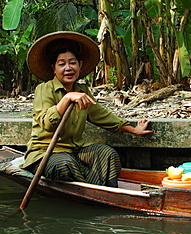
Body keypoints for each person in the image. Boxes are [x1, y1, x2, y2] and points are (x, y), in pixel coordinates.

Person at [20, 31, 153, 187]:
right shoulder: (44, 89)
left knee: (107, 154)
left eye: (72, 62)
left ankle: (108, 193)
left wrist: (133, 130)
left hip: (75, 150)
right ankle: (95, 188)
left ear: (80, 65)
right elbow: (47, 124)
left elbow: (101, 115)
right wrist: (67, 98)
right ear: (54, 68)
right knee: (64, 165)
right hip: (45, 153)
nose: (68, 68)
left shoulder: (83, 91)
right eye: (62, 64)